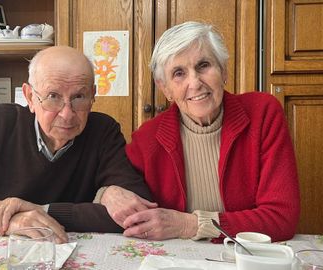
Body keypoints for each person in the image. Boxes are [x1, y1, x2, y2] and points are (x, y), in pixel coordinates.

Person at [0, 46, 153, 243]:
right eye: (53, 97)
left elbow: (137, 214)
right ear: (29, 97)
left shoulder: (103, 131)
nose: (67, 114)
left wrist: (41, 210)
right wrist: (7, 220)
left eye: (79, 97)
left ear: (92, 96)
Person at [100, 21, 300, 242]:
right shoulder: (147, 139)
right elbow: (115, 191)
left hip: (245, 257)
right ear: (165, 88)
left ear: (223, 71)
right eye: (178, 73)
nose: (194, 83)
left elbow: (282, 218)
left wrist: (191, 225)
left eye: (203, 65)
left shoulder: (262, 114)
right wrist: (106, 194)